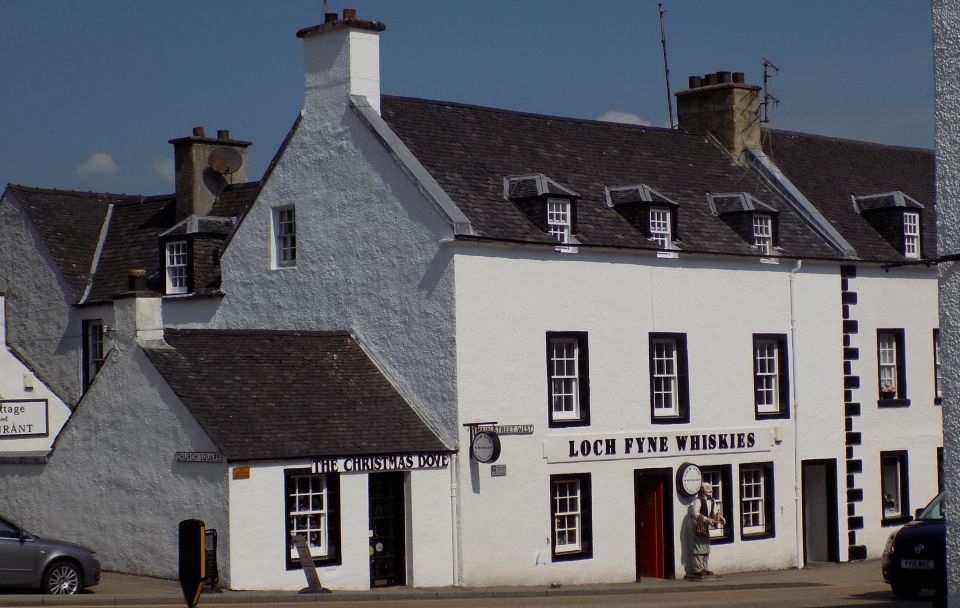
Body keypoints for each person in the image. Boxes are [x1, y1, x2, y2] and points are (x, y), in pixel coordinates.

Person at [690, 482, 725, 577]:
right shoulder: (698, 501)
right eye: (708, 490)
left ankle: (705, 568)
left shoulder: (712, 500)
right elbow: (695, 514)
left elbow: (714, 513)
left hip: (706, 527)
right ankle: (698, 569)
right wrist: (706, 519)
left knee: (706, 547)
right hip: (698, 525)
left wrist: (720, 517)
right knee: (698, 548)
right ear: (702, 490)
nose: (710, 491)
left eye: (710, 489)